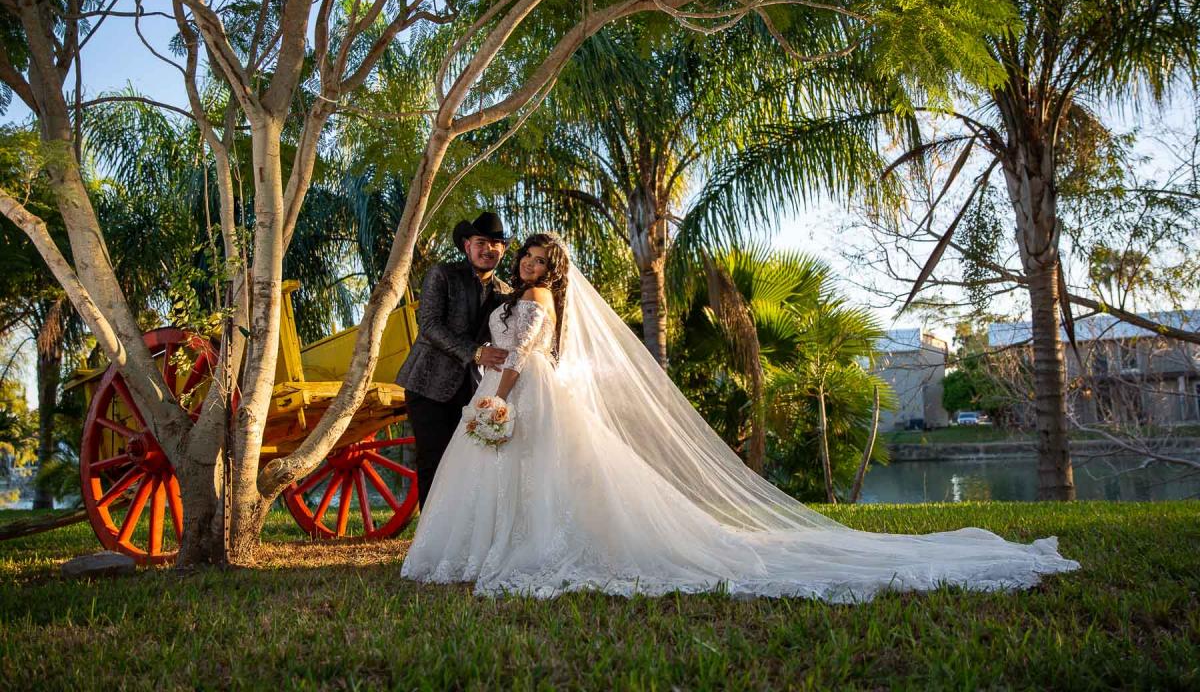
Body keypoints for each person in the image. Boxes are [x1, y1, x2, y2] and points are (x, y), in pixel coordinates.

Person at [401, 233, 1080, 602]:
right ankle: (491, 545)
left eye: (537, 258)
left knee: (533, 473)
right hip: (505, 386)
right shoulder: (505, 291)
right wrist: (491, 382)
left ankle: (513, 549)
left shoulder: (539, 301)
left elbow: (522, 354)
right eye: (524, 255)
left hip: (521, 388)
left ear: (554, 270)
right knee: (511, 474)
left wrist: (496, 395)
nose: (526, 262)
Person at [395, 212, 512, 509]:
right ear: (467, 245)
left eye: (496, 244)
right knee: (433, 461)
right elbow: (430, 325)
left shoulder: (505, 293)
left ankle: (458, 530)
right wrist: (476, 352)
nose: (488, 249)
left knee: (468, 462)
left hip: (473, 390)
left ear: (503, 250)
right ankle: (429, 532)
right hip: (428, 384)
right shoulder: (443, 274)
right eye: (481, 242)